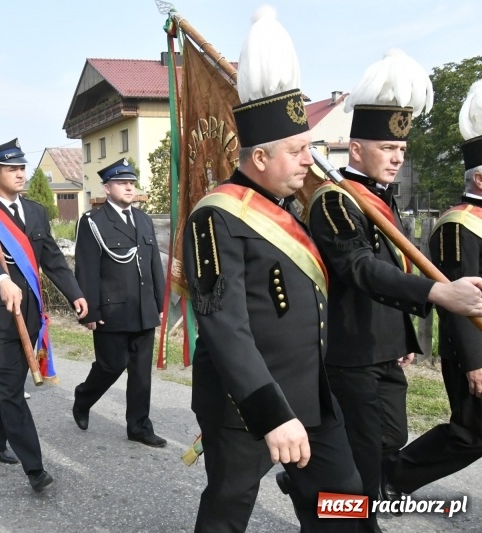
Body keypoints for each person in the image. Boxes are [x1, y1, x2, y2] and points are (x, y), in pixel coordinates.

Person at [183, 9, 361, 532]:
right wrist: (271, 414)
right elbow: (224, 326)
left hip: (310, 394)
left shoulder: (289, 210)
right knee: (228, 509)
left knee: (344, 499)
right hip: (247, 405)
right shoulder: (215, 216)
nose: (310, 160)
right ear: (259, 157)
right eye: (298, 150)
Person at [306, 51, 482, 532]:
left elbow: (394, 266)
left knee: (388, 442)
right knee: (364, 457)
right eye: (387, 148)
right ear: (355, 148)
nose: (397, 157)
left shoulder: (385, 199)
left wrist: (405, 338)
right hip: (351, 349)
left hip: (386, 349)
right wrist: (436, 294)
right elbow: (361, 269)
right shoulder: (334, 200)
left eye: (401, 150)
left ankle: (315, 489)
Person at [0, 138, 88, 492]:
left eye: (22, 167)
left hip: (29, 314)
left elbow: (51, 257)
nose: (20, 173)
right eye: (12, 168)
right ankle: (35, 468)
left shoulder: (34, 211)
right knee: (12, 390)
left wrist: (75, 293)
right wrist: (2, 279)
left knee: (11, 385)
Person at [383, 80, 482, 498]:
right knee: (468, 435)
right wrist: (476, 363)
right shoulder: (459, 224)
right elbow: (457, 301)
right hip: (474, 349)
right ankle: (386, 478)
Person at [72, 158, 166, 447]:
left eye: (132, 182)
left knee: (141, 372)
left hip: (143, 309)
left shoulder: (143, 219)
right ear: (107, 187)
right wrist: (90, 310)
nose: (129, 187)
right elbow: (86, 268)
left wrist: (159, 302)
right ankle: (84, 397)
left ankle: (138, 426)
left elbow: (153, 265)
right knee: (111, 366)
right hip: (112, 310)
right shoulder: (94, 222)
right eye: (122, 182)